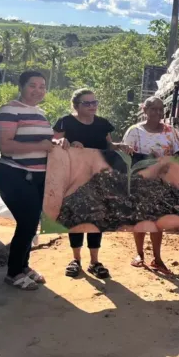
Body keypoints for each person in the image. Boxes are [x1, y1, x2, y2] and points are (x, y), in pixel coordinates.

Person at [0, 71, 66, 290]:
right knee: (26, 222)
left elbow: (43, 141)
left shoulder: (40, 113)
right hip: (14, 175)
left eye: (42, 86)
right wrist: (40, 146)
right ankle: (13, 272)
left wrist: (57, 142)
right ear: (21, 86)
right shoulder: (8, 110)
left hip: (37, 176)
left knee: (32, 223)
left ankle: (24, 267)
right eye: (32, 85)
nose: (38, 90)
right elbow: (4, 146)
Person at [53, 88, 132, 279]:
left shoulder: (103, 124)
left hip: (99, 179)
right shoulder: (66, 121)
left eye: (94, 103)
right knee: (77, 217)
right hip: (73, 177)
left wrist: (120, 146)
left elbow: (108, 146)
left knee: (97, 217)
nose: (92, 106)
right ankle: (76, 260)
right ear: (76, 105)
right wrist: (65, 142)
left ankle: (95, 261)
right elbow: (53, 142)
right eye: (87, 103)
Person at [122, 96, 179, 274]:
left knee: (158, 221)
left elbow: (177, 155)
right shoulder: (134, 132)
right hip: (140, 182)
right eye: (153, 109)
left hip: (162, 183)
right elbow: (125, 156)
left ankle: (157, 258)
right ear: (145, 110)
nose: (157, 112)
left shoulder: (170, 132)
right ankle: (139, 254)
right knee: (140, 218)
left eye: (160, 109)